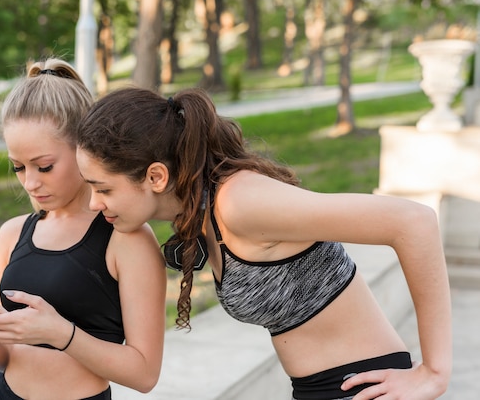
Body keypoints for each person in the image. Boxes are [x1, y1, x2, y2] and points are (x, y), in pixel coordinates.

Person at [74, 86, 452, 400]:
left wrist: (433, 372)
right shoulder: (204, 208)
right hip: (320, 389)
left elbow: (413, 222)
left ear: (156, 176)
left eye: (103, 188)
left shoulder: (240, 202)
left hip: (363, 386)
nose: (94, 202)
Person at [0, 60, 166, 400]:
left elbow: (144, 374)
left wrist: (63, 335)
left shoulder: (125, 238)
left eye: (44, 166)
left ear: (82, 150)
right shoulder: (12, 234)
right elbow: (5, 359)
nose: (30, 182)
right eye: (18, 167)